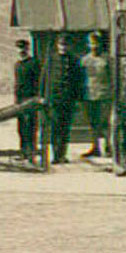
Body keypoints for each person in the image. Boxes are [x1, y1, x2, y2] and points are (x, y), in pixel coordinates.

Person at [45, 32, 83, 167]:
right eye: (61, 44)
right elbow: (45, 80)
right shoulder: (51, 60)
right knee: (55, 127)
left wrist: (77, 99)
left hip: (68, 99)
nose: (63, 47)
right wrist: (46, 97)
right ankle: (55, 155)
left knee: (65, 128)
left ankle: (62, 154)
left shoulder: (74, 60)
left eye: (66, 45)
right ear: (57, 45)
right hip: (55, 99)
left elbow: (78, 81)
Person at [79, 32, 113, 160]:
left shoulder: (107, 59)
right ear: (88, 45)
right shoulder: (85, 60)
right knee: (93, 123)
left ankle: (108, 146)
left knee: (105, 123)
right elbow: (81, 79)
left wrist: (112, 92)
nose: (94, 46)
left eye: (96, 44)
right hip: (89, 95)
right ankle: (95, 147)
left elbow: (113, 77)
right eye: (91, 44)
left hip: (104, 94)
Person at [12, 37, 43, 165]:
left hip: (30, 99)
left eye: (23, 48)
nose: (21, 51)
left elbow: (38, 82)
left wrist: (37, 98)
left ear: (27, 49)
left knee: (30, 127)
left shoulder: (34, 63)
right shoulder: (17, 64)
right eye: (19, 48)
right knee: (21, 128)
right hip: (19, 99)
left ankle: (31, 154)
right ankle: (23, 152)